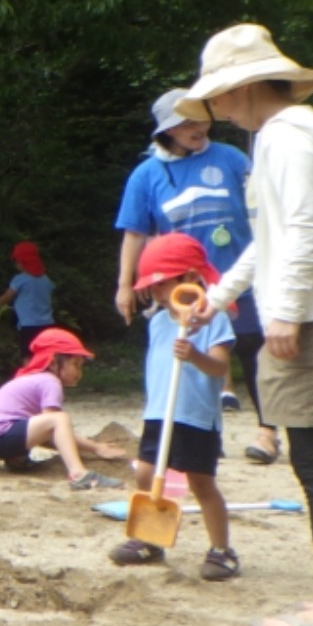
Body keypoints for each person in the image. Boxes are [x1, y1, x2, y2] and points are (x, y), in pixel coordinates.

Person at [172, 28, 313, 626]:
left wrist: (283, 311)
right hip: (302, 310)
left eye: (221, 95)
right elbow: (272, 239)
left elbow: (308, 227)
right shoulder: (288, 135)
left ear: (248, 85)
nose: (217, 109)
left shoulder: (285, 139)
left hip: (308, 321)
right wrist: (219, 297)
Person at [116, 89, 275, 464]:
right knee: (189, 356)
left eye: (200, 117)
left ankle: (267, 432)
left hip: (238, 275)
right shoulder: (147, 174)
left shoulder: (231, 158)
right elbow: (134, 231)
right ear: (167, 129)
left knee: (254, 348)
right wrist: (125, 284)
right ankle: (203, 432)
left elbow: (260, 208)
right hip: (181, 284)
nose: (196, 127)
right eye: (185, 121)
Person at [110, 234, 238, 579]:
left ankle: (222, 550)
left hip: (195, 416)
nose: (152, 290)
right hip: (159, 413)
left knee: (201, 483)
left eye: (160, 283)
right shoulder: (157, 322)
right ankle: (150, 539)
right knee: (146, 473)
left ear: (190, 278)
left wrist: (194, 354)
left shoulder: (214, 318)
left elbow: (219, 368)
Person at [0, 328, 124, 488]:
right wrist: (95, 448)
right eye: (75, 364)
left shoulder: (36, 379)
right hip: (0, 437)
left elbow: (47, 434)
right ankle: (79, 474)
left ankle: (17, 460)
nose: (79, 372)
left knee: (54, 422)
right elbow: (55, 427)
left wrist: (91, 448)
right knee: (59, 419)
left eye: (81, 366)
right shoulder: (50, 382)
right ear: (52, 362)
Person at [0, 242, 56, 353]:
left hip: (29, 326)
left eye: (16, 261)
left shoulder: (20, 279)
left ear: (21, 262)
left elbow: (8, 296)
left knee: (28, 357)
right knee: (45, 356)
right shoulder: (46, 279)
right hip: (48, 325)